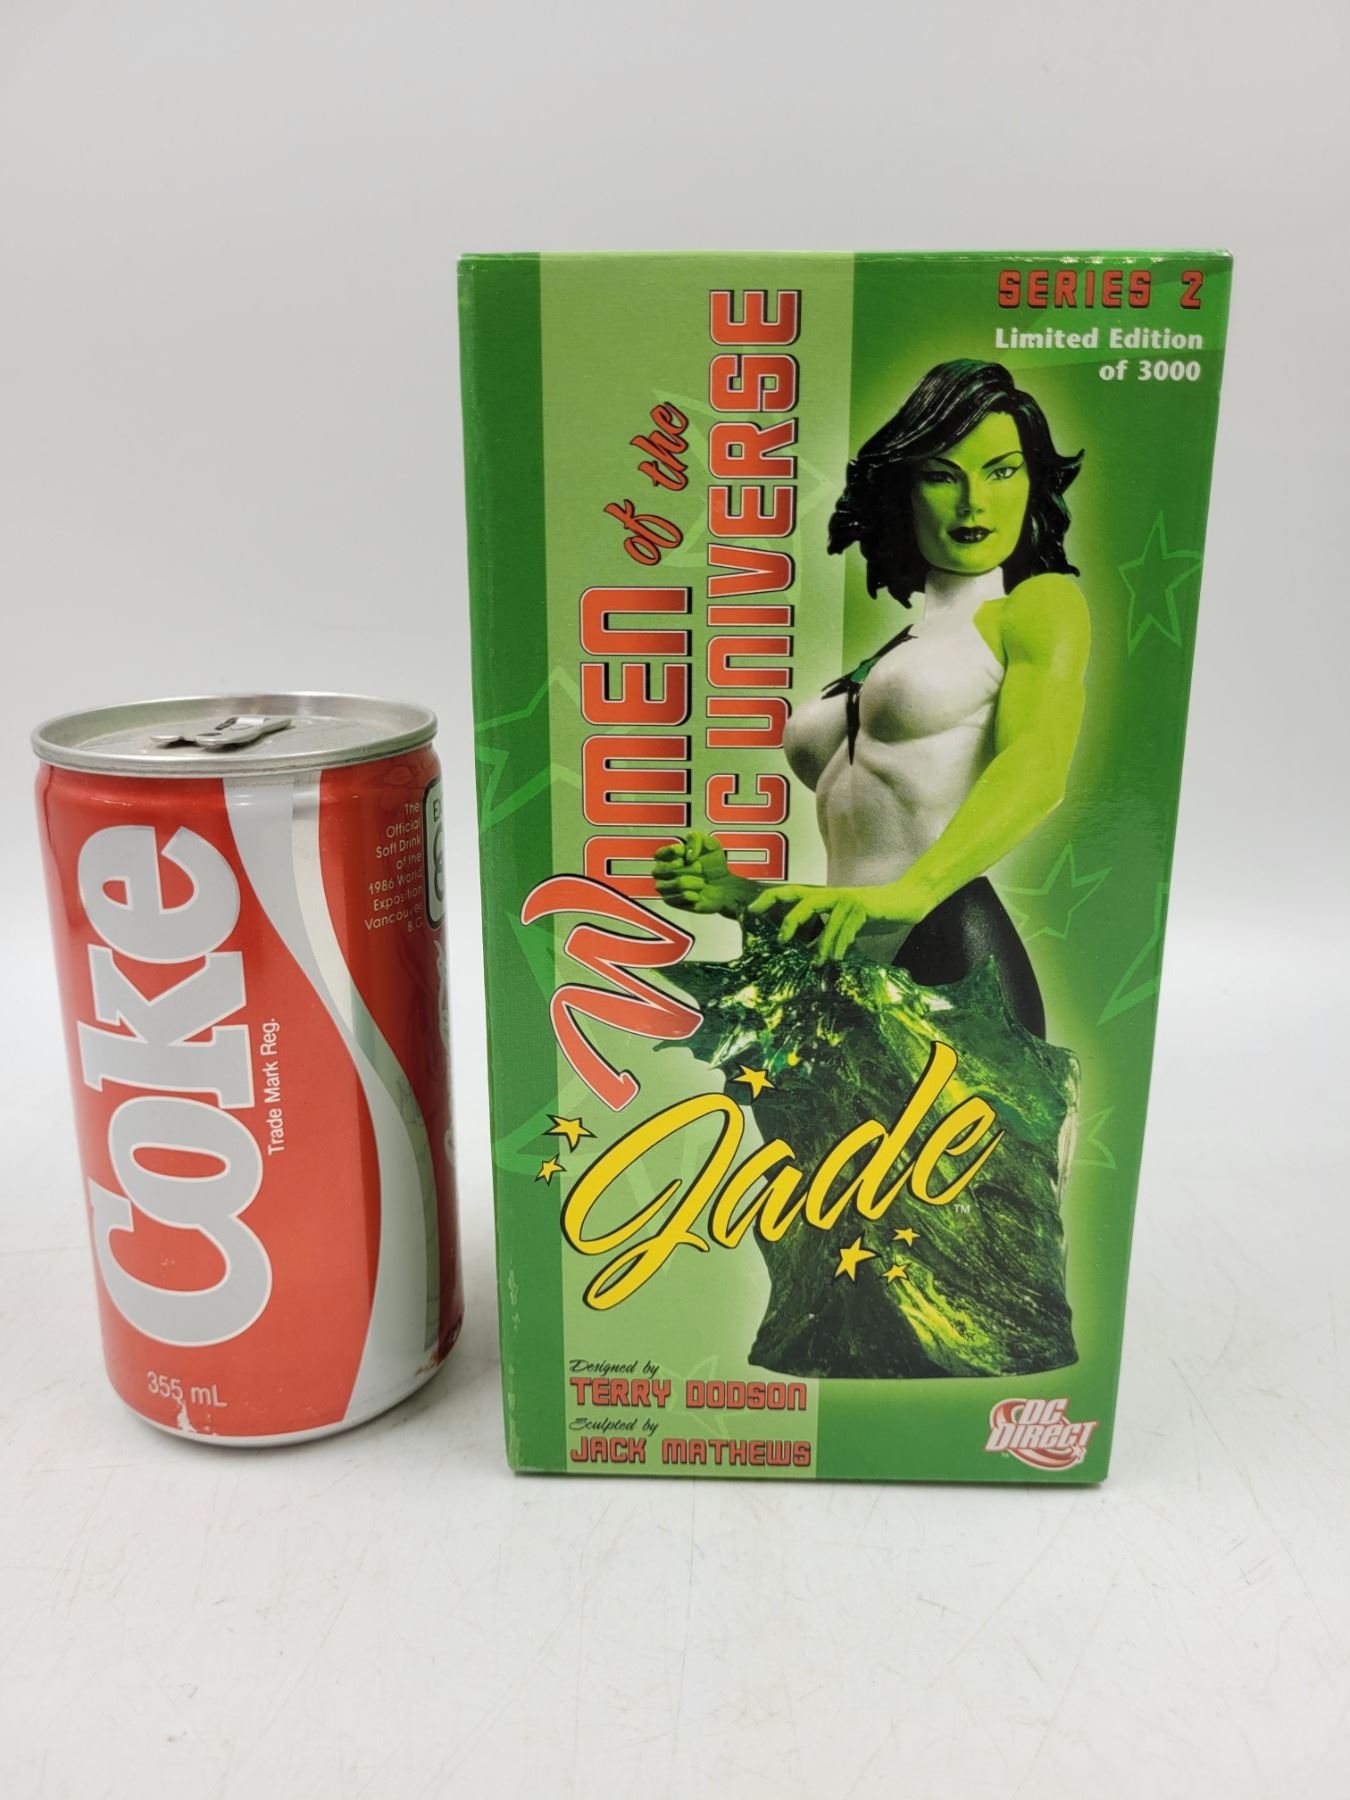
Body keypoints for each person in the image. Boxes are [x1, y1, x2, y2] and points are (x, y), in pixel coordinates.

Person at [654, 359, 1090, 1039]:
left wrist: (914, 892)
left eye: (1002, 471)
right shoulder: (897, 651)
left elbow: (1038, 760)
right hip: (843, 950)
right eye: (942, 475)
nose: (974, 502)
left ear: (1033, 483)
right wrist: (737, 893)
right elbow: (863, 864)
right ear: (903, 491)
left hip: (948, 935)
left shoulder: (1037, 605)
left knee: (979, 1117)